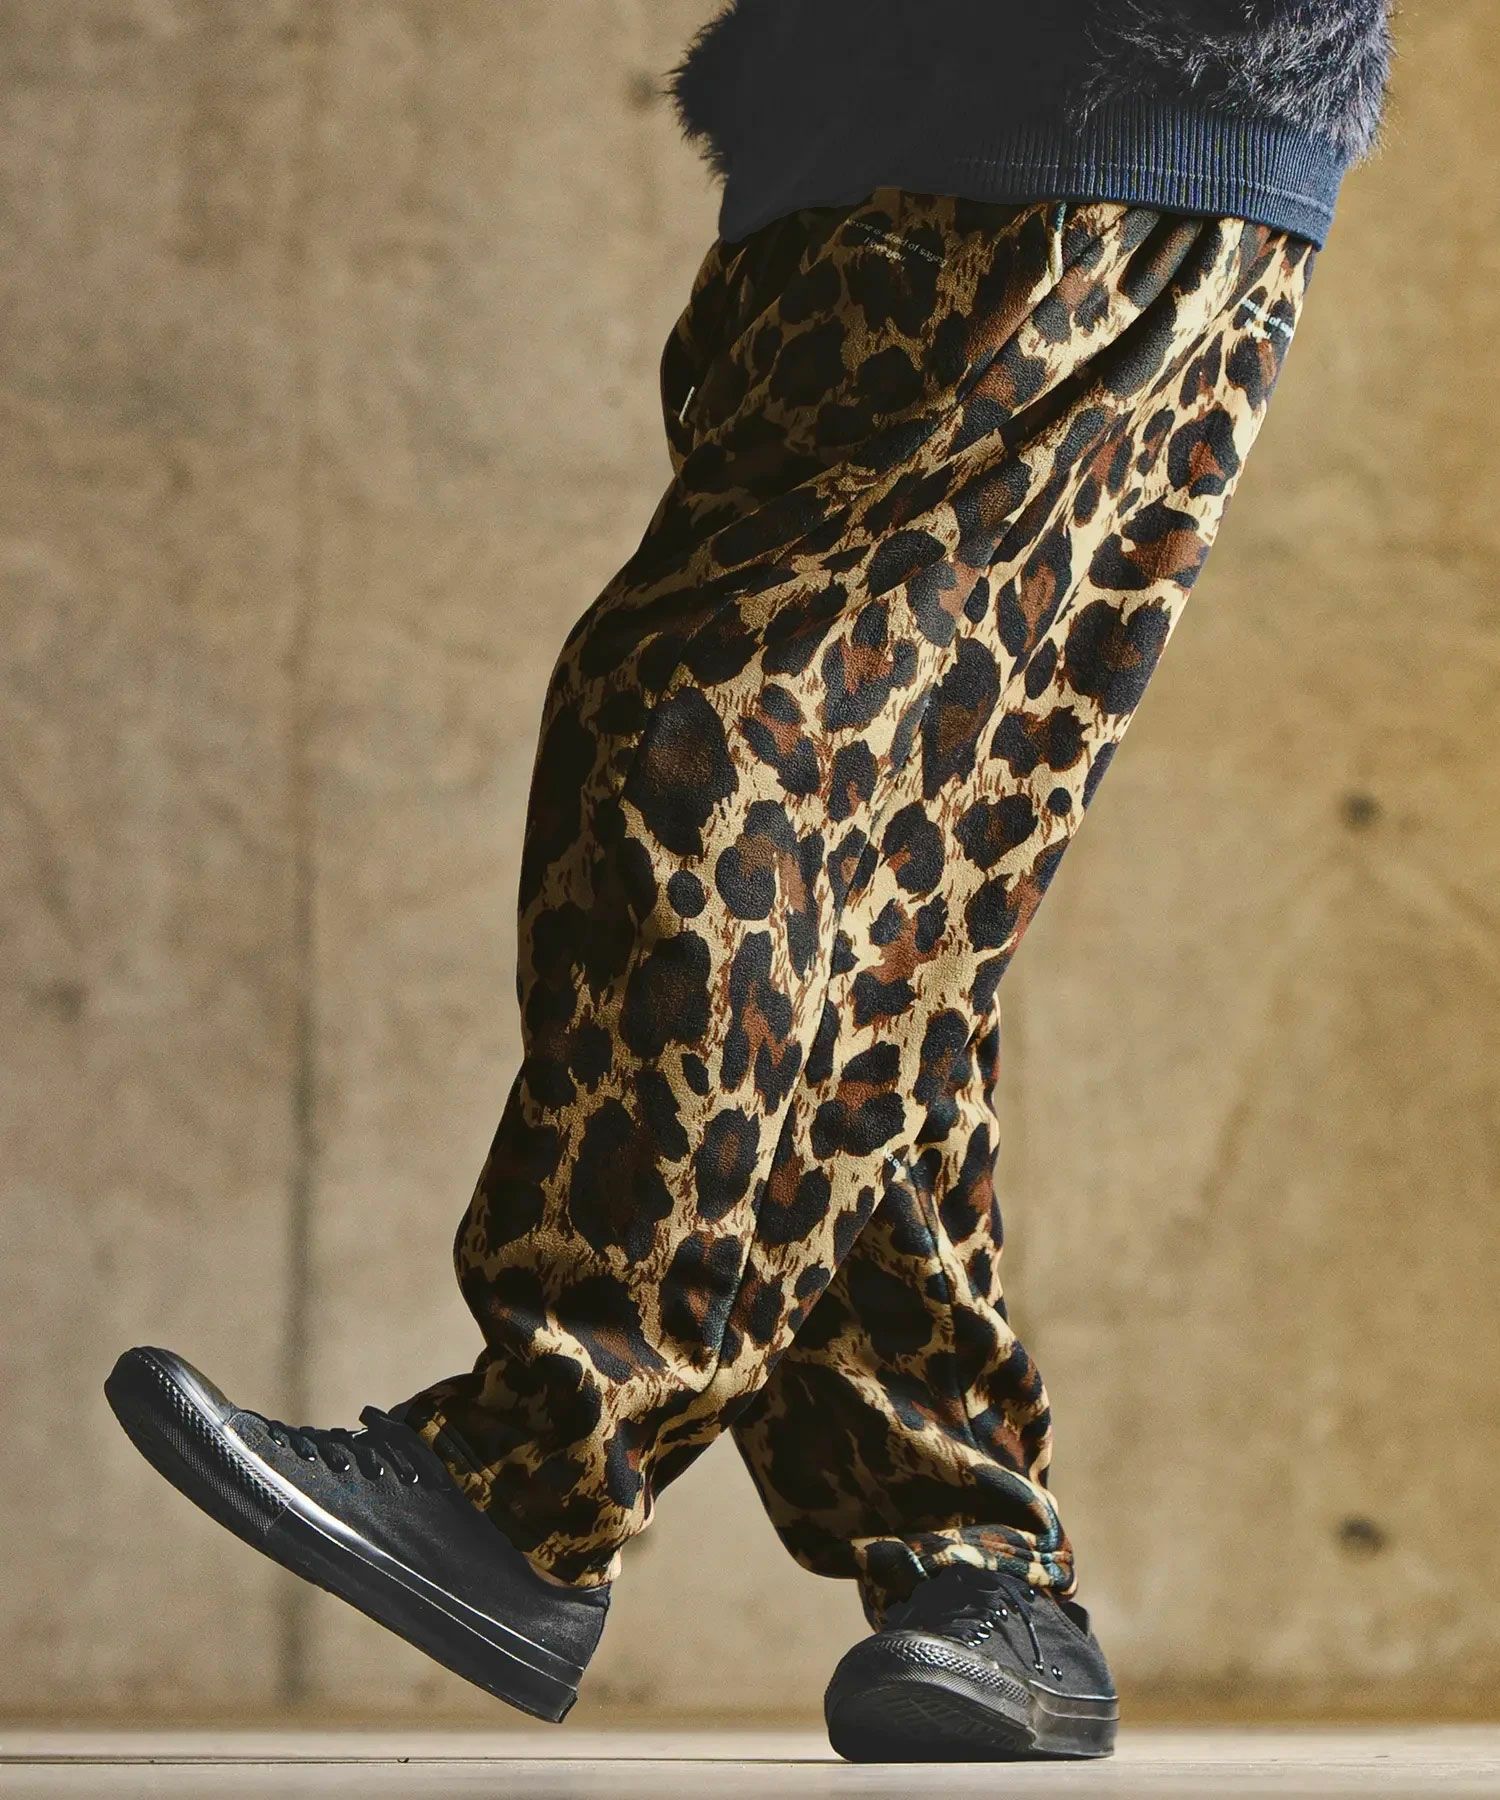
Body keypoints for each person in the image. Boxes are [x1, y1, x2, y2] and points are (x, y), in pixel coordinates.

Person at [105, 0, 1393, 1764]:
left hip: (1101, 102)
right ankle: (980, 1557)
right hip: (865, 138)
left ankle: (535, 1478)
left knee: (704, 735)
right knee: (882, 890)